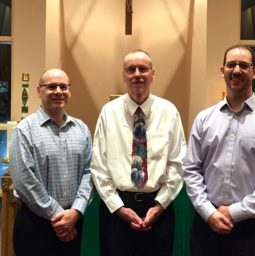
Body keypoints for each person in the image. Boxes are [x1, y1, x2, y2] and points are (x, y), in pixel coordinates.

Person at [183, 44, 255, 256]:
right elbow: (191, 170)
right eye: (231, 64)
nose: (236, 70)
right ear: (222, 70)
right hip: (207, 227)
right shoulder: (204, 119)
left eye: (244, 65)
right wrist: (208, 211)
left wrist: (234, 212)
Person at [91, 49, 186, 256]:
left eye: (143, 68)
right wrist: (119, 208)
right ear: (123, 75)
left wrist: (159, 206)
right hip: (116, 211)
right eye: (130, 69)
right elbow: (99, 165)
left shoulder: (169, 112)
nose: (137, 74)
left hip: (158, 209)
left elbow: (177, 164)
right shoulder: (109, 113)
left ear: (153, 74)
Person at [10, 68, 93, 256]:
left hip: (74, 223)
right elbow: (24, 181)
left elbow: (90, 173)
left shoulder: (82, 129)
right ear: (39, 91)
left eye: (63, 86)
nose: (58, 91)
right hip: (35, 226)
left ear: (69, 91)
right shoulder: (25, 130)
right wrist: (58, 217)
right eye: (51, 86)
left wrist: (76, 211)